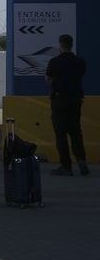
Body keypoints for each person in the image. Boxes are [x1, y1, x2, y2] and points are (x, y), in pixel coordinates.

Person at [46, 34, 89, 176]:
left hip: (59, 100)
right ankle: (81, 160)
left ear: (60, 45)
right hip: (76, 99)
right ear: (71, 45)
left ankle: (66, 166)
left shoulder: (54, 61)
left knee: (61, 134)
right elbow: (80, 76)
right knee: (76, 131)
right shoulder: (80, 62)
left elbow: (48, 79)